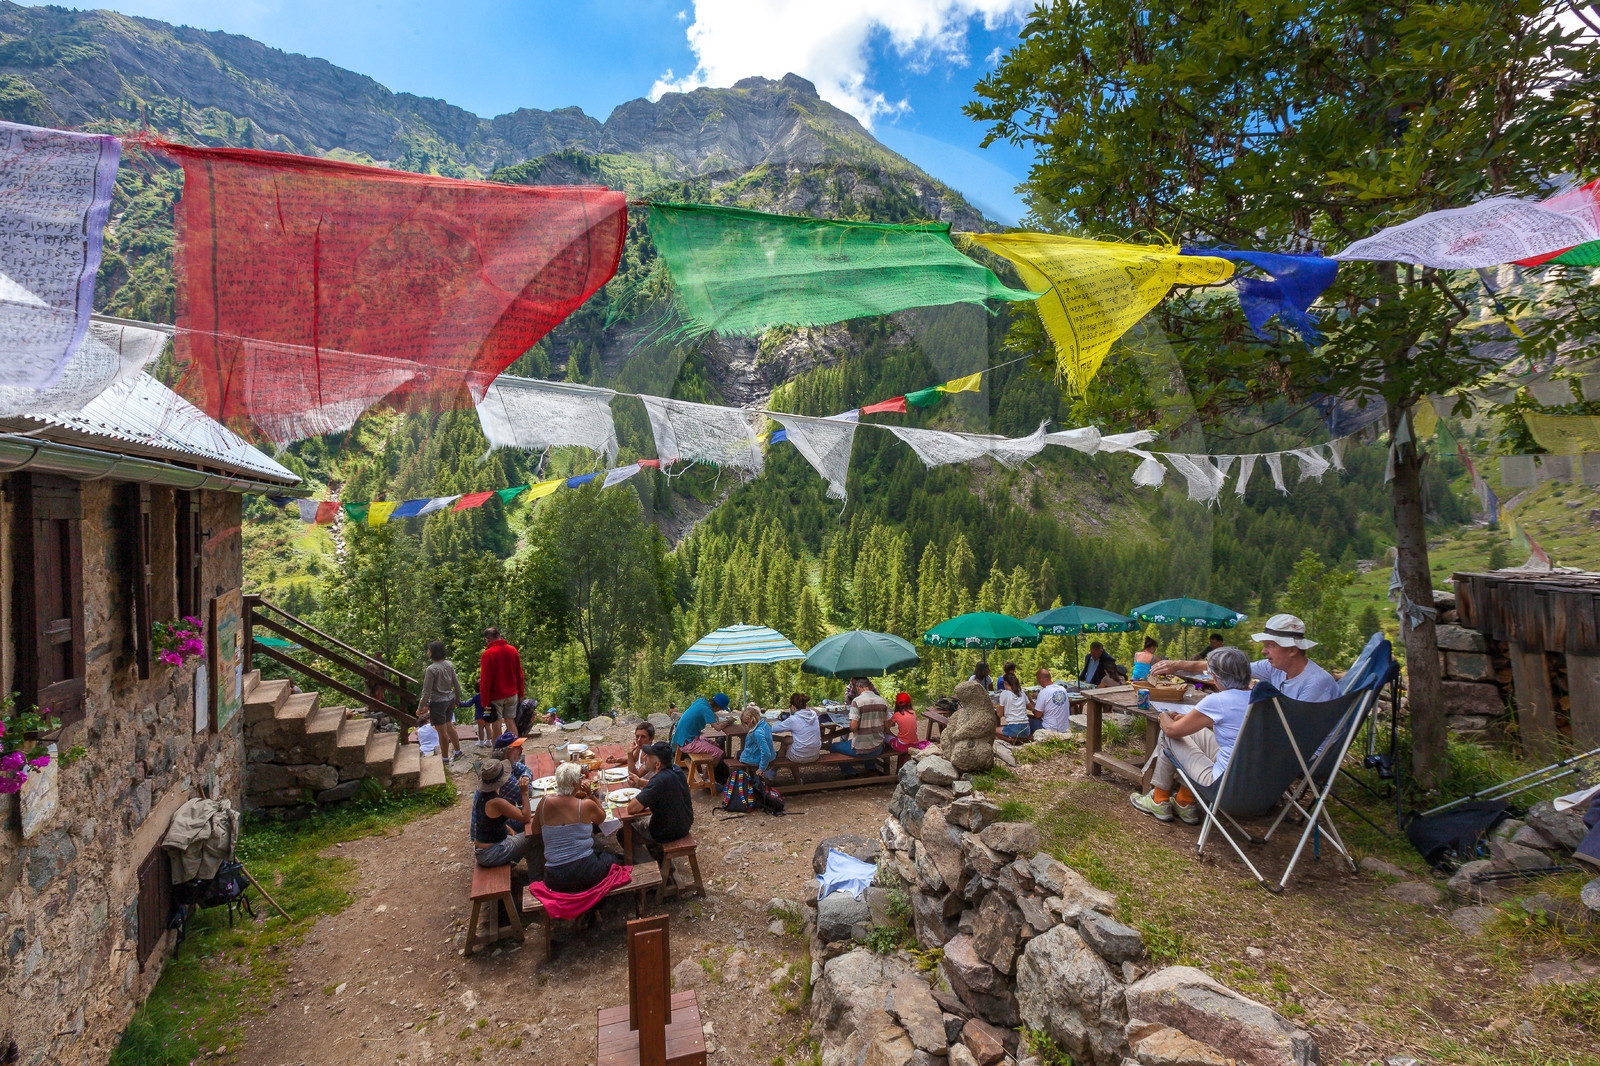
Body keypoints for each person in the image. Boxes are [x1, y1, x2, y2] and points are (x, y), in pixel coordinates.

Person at [1130, 646, 1254, 824]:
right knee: (1198, 732)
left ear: (1215, 677)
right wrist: (1189, 719)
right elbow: (1233, 725)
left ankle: (1159, 799)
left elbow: (1173, 730)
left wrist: (1164, 715)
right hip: (1255, 785)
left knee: (1169, 734)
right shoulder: (1258, 699)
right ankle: (1183, 801)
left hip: (1222, 785)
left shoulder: (1217, 701)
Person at [1155, 614, 1339, 703]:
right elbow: (1228, 666)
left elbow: (1297, 733)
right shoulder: (1275, 667)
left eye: (1270, 645)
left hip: (1300, 757)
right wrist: (1178, 665)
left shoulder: (1316, 683)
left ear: (1292, 649)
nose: (1263, 651)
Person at [535, 762, 620, 893]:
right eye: (580, 778)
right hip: (585, 871)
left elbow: (535, 830)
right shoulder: (585, 805)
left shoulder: (544, 802)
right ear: (575, 784)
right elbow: (602, 817)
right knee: (613, 858)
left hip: (554, 877)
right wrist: (591, 795)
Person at [627, 742, 694, 857]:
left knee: (624, 833)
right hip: (685, 824)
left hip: (666, 831)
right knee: (642, 818)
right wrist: (640, 782)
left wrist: (642, 788)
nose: (644, 758)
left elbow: (631, 809)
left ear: (657, 765)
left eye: (648, 757)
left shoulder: (658, 781)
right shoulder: (676, 769)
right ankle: (655, 853)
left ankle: (649, 861)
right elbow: (663, 785)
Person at [471, 758, 536, 869]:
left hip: (483, 850)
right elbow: (525, 816)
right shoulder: (497, 802)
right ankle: (536, 876)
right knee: (535, 835)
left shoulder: (482, 796)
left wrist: (507, 828)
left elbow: (488, 822)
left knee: (524, 833)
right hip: (492, 853)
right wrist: (524, 792)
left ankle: (524, 867)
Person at [418, 640, 465, 762]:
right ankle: (457, 751)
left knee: (442, 732)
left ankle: (444, 759)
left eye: (428, 650)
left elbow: (426, 691)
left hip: (438, 703)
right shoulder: (449, 664)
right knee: (449, 726)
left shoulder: (431, 669)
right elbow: (456, 684)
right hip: (450, 699)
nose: (427, 652)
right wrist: (458, 698)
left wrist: (420, 707)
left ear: (433, 652)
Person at [479, 627, 524, 740]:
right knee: (511, 722)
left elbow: (485, 680)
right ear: (499, 635)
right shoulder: (512, 650)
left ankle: (498, 753)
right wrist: (521, 693)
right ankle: (515, 750)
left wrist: (484, 701)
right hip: (512, 694)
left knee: (496, 724)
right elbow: (519, 674)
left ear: (487, 640)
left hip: (496, 696)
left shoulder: (487, 654)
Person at [832, 685, 888, 777]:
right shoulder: (882, 701)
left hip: (860, 749)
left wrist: (852, 722)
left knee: (833, 747)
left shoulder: (857, 701)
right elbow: (886, 725)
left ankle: (851, 772)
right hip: (878, 748)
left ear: (858, 687)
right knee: (868, 740)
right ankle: (871, 769)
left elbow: (853, 727)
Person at [671, 693, 728, 760]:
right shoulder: (707, 710)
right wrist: (729, 721)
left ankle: (713, 767)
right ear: (718, 707)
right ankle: (710, 770)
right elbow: (718, 728)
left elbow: (707, 712)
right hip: (687, 742)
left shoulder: (701, 701)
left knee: (716, 745)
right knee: (718, 753)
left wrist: (714, 716)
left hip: (682, 737)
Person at [770, 692, 821, 764]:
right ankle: (793, 775)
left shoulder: (793, 719)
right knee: (787, 739)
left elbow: (773, 729)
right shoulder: (813, 714)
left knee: (787, 746)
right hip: (815, 754)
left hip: (800, 756)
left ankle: (774, 770)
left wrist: (780, 719)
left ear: (793, 707)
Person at [734, 703, 777, 779]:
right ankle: (748, 775)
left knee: (737, 755)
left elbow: (766, 752)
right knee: (740, 753)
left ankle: (743, 777)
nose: (746, 725)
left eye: (746, 723)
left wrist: (761, 768)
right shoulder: (765, 725)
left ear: (752, 720)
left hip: (757, 758)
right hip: (771, 756)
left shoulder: (757, 733)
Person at [995, 673, 1037, 740]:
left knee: (994, 731)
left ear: (1005, 683)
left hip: (1014, 728)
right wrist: (1030, 700)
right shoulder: (1022, 693)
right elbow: (1032, 708)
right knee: (1006, 729)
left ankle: (1011, 741)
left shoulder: (1004, 694)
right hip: (1026, 728)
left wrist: (997, 706)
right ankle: (1016, 739)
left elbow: (999, 714)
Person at [1033, 667, 1073, 733]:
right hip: (1064, 728)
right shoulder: (1062, 689)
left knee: (1028, 722)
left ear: (1041, 679)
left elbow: (1037, 715)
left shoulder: (1043, 692)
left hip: (1049, 729)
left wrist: (1030, 702)